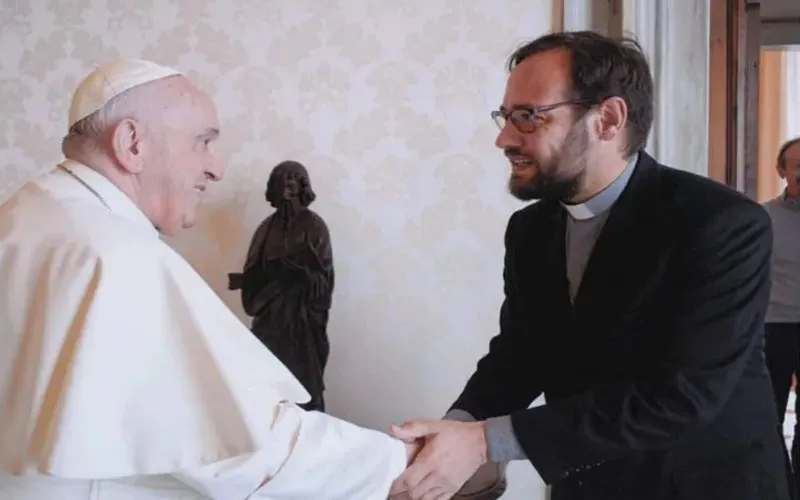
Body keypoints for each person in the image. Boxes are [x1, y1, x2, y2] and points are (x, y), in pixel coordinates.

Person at [388, 31, 793, 500]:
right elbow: (521, 355)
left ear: (608, 119)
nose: (504, 138)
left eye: (528, 117)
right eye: (505, 116)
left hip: (706, 485)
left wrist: (483, 443)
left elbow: (681, 394)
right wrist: (453, 431)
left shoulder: (722, 223)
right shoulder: (530, 230)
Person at [0, 59, 417, 500]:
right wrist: (400, 462)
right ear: (131, 143)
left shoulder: (25, 217)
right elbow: (245, 449)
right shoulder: (115, 254)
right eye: (203, 143)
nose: (217, 168)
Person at [229, 160, 334, 413]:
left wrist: (298, 273)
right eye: (281, 183)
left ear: (303, 187)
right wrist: (252, 279)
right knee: (265, 385)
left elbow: (324, 281)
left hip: (302, 325)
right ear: (273, 190)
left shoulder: (314, 226)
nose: (287, 189)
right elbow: (253, 274)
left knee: (304, 387)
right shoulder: (265, 229)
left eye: (293, 182)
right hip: (270, 320)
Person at [763, 136, 800, 484]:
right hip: (774, 328)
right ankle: (778, 485)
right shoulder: (762, 218)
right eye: (798, 166)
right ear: (782, 171)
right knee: (768, 413)